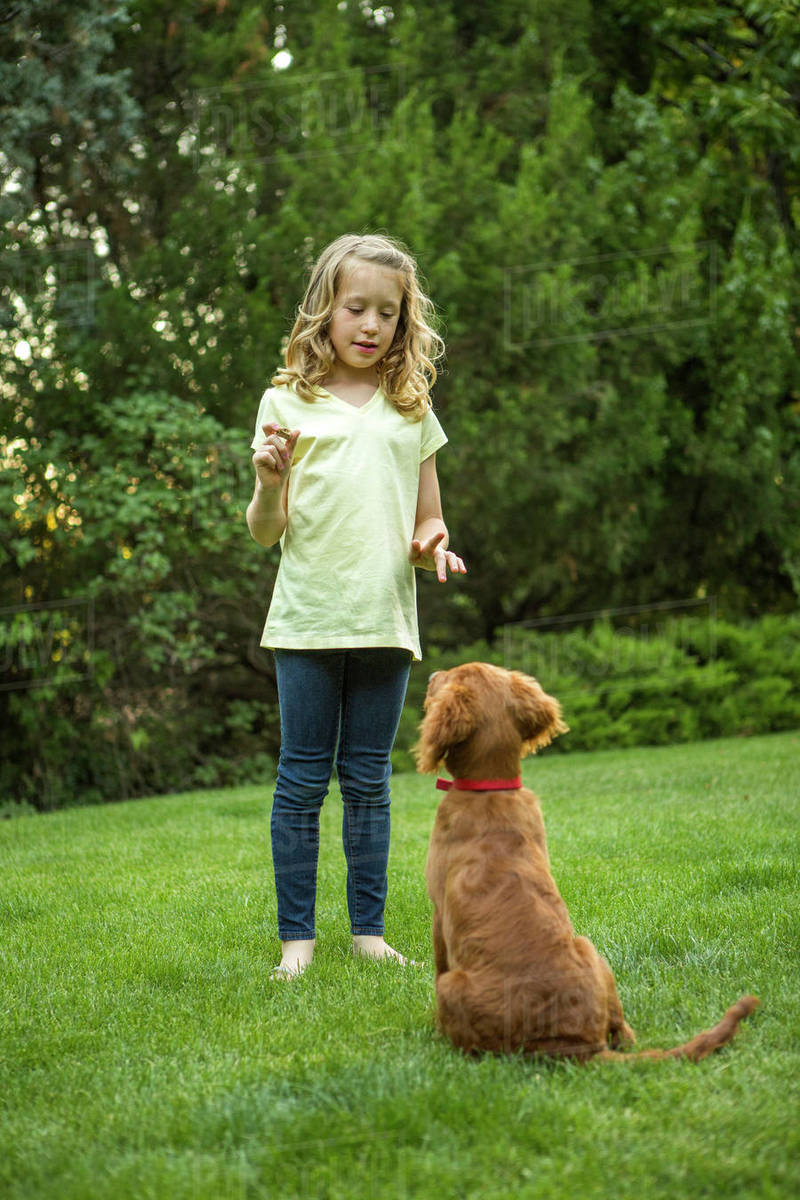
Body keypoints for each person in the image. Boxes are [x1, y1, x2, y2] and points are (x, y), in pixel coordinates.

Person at [246, 232, 466, 980]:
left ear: (405, 321)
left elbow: (427, 519)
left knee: (369, 781)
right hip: (307, 619)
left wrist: (432, 544)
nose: (372, 325)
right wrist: (269, 483)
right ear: (325, 309)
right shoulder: (286, 401)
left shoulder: (412, 409)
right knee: (302, 781)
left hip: (384, 619)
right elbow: (265, 531)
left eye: (388, 313)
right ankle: (297, 944)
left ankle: (369, 935)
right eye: (356, 308)